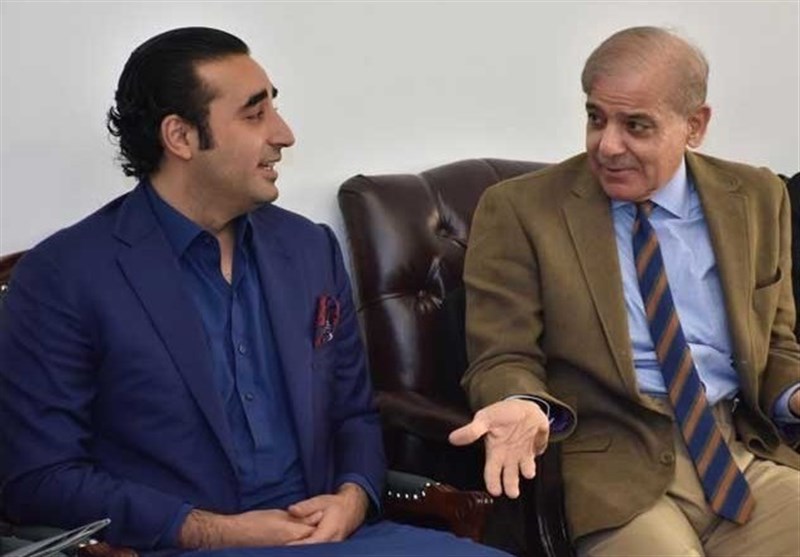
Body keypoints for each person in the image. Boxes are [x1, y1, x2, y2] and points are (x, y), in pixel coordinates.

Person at [0, 27, 508, 557]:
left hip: (337, 538)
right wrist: (212, 530)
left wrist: (354, 497)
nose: (284, 135)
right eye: (254, 114)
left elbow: (354, 416)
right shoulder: (65, 275)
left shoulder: (309, 249)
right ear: (181, 137)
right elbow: (39, 478)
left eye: (274, 109)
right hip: (180, 548)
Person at [450, 26, 800, 556]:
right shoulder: (521, 210)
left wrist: (794, 393)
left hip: (739, 451)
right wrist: (521, 403)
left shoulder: (756, 197)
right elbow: (502, 353)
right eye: (596, 118)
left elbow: (775, 345)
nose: (608, 146)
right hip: (614, 465)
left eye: (636, 125)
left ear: (695, 125)